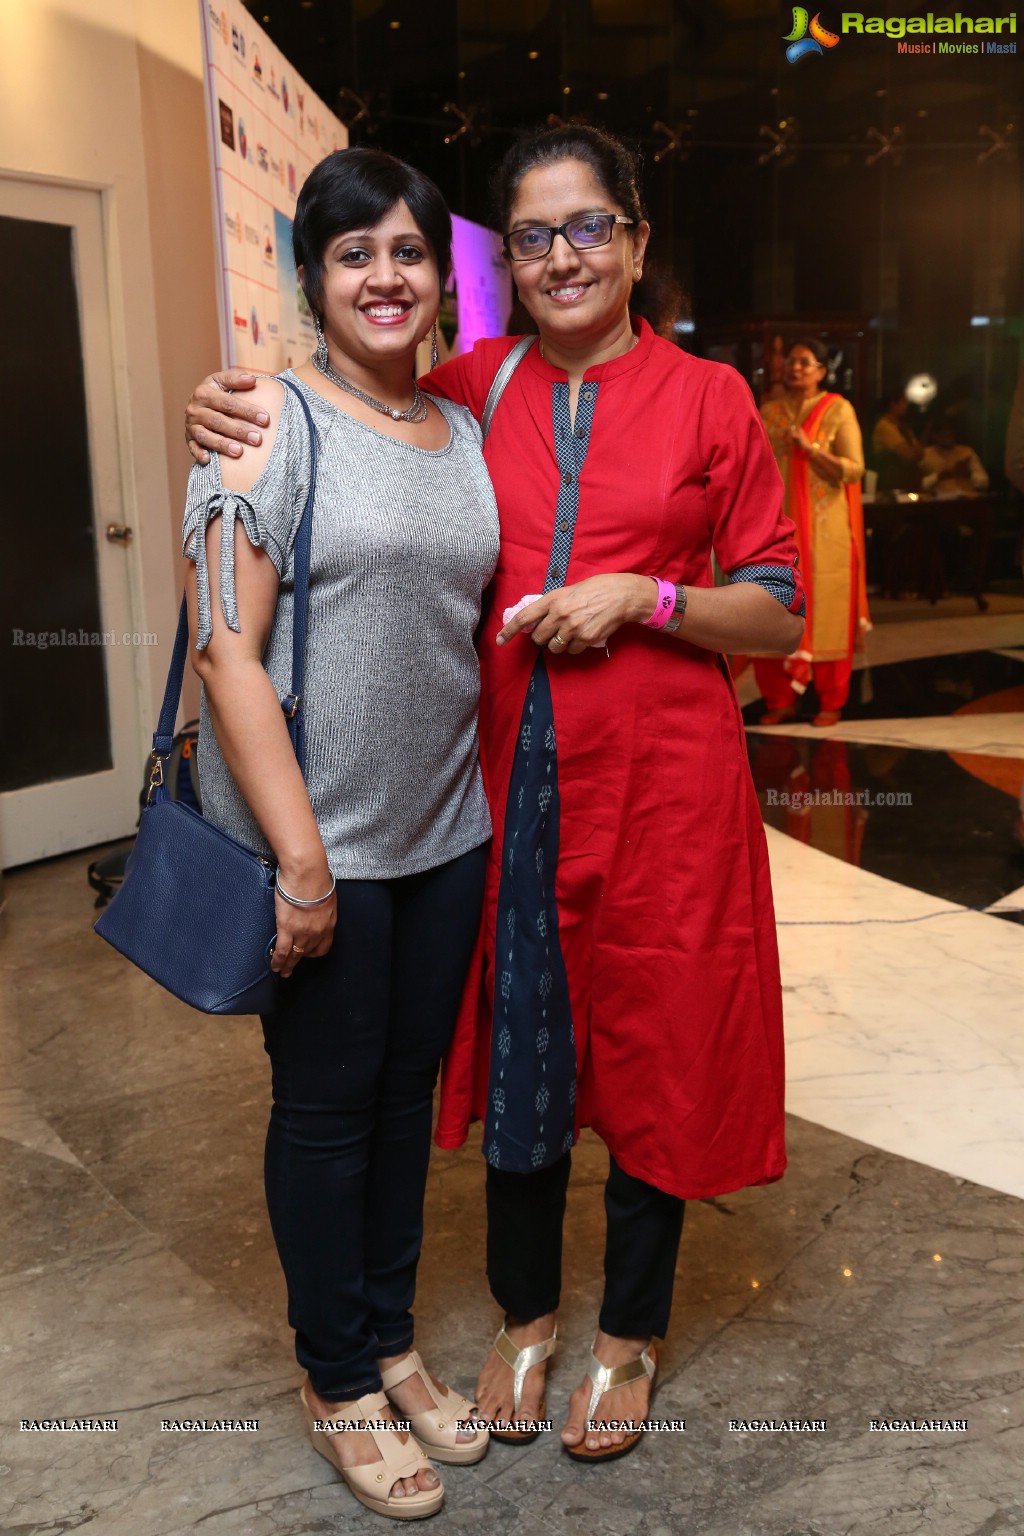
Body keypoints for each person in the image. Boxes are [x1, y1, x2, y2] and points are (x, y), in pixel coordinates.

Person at [185, 123, 805, 1465]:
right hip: (502, 786)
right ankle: (525, 1317)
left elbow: (777, 612)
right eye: (533, 236)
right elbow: (345, 402)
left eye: (591, 227)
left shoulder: (711, 402)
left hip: (669, 788)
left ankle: (630, 1336)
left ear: (637, 239)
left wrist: (649, 599)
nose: (564, 256)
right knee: (528, 1048)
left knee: (657, 1042)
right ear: (506, 266)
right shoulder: (472, 385)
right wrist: (227, 406)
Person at [183, 147, 499, 1520]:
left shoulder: (463, 428)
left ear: (441, 276)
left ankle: (387, 1340)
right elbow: (222, 653)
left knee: (399, 1103)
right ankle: (333, 1383)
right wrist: (304, 865)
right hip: (324, 852)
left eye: (410, 251)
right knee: (323, 1117)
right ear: (314, 275)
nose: (386, 274)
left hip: (446, 836)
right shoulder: (264, 420)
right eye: (354, 250)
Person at [753, 339, 869, 728]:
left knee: (827, 613)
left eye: (804, 362)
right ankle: (780, 699)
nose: (794, 368)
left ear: (822, 370)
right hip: (777, 531)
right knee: (772, 607)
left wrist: (812, 449)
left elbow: (854, 469)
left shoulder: (838, 410)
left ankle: (831, 701)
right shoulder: (769, 411)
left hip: (826, 532)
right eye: (790, 362)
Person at [920, 416, 989, 496]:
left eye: (950, 432)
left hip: (967, 502)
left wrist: (968, 474)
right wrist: (939, 476)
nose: (947, 436)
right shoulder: (924, 455)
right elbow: (918, 485)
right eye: (942, 433)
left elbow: (985, 482)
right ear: (934, 435)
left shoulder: (967, 452)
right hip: (937, 503)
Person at [871, 388, 923, 493]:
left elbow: (921, 454)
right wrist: (913, 451)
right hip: (891, 484)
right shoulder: (885, 426)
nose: (907, 405)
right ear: (893, 404)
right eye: (903, 401)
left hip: (907, 482)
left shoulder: (903, 426)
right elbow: (908, 454)